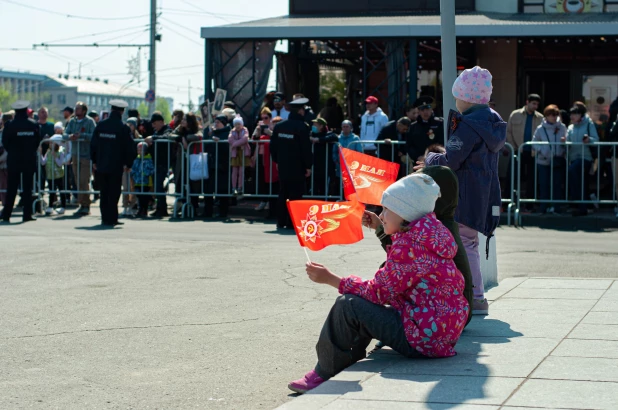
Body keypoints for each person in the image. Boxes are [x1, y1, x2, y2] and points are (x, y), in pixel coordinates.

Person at [288, 173, 468, 394]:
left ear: (404, 215)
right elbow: (402, 269)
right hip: (442, 333)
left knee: (348, 305)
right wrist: (381, 227)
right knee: (366, 298)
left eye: (386, 210)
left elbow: (377, 293)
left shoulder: (408, 248)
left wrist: (331, 279)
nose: (382, 215)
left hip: (424, 338)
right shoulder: (430, 233)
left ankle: (325, 371)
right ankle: (346, 358)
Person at [421, 66, 507, 316]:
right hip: (483, 193)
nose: (455, 101)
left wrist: (432, 159)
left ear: (468, 98)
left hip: (464, 193)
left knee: (464, 244)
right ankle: (473, 294)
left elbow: (453, 159)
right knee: (470, 243)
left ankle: (475, 297)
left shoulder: (469, 124)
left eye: (457, 96)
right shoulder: (492, 122)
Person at [363, 165, 474, 326]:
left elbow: (405, 261)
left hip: (441, 320)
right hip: (456, 314)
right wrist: (381, 226)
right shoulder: (438, 226)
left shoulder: (431, 230)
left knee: (359, 304)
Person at [90, 99, 137, 227]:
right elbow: (130, 147)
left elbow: (93, 144)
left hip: (101, 164)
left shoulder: (101, 125)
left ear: (111, 110)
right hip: (116, 166)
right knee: (114, 192)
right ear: (122, 112)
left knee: (104, 192)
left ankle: (105, 218)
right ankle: (112, 218)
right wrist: (128, 164)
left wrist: (94, 161)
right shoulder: (123, 128)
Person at [270, 97, 313, 229]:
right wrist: (308, 166)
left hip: (283, 165)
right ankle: (292, 222)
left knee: (283, 193)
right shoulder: (302, 127)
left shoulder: (279, 126)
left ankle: (281, 221)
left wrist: (277, 161)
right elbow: (305, 148)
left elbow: (273, 147)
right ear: (300, 111)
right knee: (296, 194)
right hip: (297, 166)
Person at [0, 101, 42, 223]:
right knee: (28, 188)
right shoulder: (33, 124)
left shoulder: (9, 125)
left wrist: (13, 152)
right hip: (29, 159)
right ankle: (27, 215)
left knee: (11, 188)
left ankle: (7, 214)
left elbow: (5, 142)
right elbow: (37, 141)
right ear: (25, 110)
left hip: (14, 159)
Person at [506, 94, 544, 208]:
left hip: (533, 152)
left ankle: (530, 203)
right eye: (533, 103)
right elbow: (508, 132)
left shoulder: (540, 117)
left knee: (532, 178)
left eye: (537, 104)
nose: (535, 106)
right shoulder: (515, 114)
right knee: (512, 176)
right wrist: (514, 147)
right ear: (527, 102)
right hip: (518, 150)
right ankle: (509, 200)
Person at [532, 104, 568, 214]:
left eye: (556, 114)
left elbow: (567, 141)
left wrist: (564, 143)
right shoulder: (540, 128)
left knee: (557, 184)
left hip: (557, 160)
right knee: (544, 184)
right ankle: (543, 207)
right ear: (546, 115)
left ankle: (557, 207)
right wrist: (542, 150)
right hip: (543, 161)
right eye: (551, 114)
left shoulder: (562, 127)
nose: (553, 116)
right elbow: (534, 142)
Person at [63, 101, 97, 216]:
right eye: (75, 108)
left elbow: (94, 136)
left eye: (78, 109)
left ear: (84, 111)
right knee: (77, 182)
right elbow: (64, 134)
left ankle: (86, 205)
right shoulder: (72, 121)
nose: (76, 111)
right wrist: (70, 136)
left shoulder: (89, 121)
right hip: (75, 155)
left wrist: (82, 136)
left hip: (86, 156)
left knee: (84, 181)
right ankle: (81, 204)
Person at [566, 102, 598, 217]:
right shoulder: (570, 127)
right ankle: (581, 207)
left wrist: (589, 139)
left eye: (574, 114)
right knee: (580, 182)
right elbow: (568, 143)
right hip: (573, 158)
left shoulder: (589, 124)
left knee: (573, 172)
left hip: (585, 157)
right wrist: (564, 142)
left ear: (580, 115)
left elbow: (596, 140)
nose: (572, 117)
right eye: (571, 115)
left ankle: (581, 206)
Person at [144, 112, 174, 218]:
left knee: (158, 187)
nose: (153, 125)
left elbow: (166, 137)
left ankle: (162, 210)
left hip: (163, 163)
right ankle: (159, 208)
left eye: (155, 123)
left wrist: (153, 138)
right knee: (156, 187)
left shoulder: (167, 130)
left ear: (161, 122)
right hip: (156, 162)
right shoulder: (157, 132)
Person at [173, 113, 203, 214]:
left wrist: (186, 138)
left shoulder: (196, 129)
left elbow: (199, 136)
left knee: (193, 184)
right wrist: (179, 137)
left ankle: (193, 208)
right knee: (182, 182)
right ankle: (184, 207)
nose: (182, 121)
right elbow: (170, 135)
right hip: (182, 161)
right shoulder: (180, 129)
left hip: (193, 160)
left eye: (185, 120)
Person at [204, 115, 232, 218]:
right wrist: (209, 135)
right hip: (211, 164)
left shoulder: (228, 132)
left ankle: (223, 212)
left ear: (223, 123)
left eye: (218, 122)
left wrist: (219, 141)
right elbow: (206, 145)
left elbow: (228, 146)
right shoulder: (212, 132)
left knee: (222, 190)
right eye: (215, 122)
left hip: (222, 165)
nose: (216, 124)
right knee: (208, 189)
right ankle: (208, 212)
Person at [406, 96, 445, 168]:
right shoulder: (413, 127)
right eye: (422, 110)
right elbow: (410, 146)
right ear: (419, 111)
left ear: (431, 109)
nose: (425, 112)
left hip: (437, 162)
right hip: (419, 163)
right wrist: (418, 157)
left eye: (427, 109)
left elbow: (442, 142)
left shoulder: (440, 123)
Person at [39, 137, 68, 215]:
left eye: (53, 143)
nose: (51, 144)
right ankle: (50, 207)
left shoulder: (60, 152)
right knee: (51, 191)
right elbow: (43, 162)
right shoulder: (48, 152)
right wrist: (40, 153)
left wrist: (55, 156)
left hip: (59, 175)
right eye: (50, 143)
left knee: (61, 190)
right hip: (50, 175)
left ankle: (63, 207)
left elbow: (59, 163)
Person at [309, 117, 338, 197]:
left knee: (325, 190)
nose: (313, 126)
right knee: (314, 189)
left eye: (315, 124)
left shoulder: (329, 134)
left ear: (321, 126)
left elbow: (334, 137)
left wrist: (318, 140)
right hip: (314, 167)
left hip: (326, 168)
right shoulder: (311, 134)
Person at [252, 108, 274, 211]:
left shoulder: (273, 127)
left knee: (270, 179)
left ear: (270, 118)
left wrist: (269, 132)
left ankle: (270, 201)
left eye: (266, 118)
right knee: (261, 179)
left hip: (271, 158)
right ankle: (263, 200)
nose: (264, 120)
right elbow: (254, 141)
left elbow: (276, 138)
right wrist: (258, 131)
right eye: (262, 118)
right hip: (261, 156)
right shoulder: (259, 128)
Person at [120, 117, 140, 217]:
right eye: (127, 124)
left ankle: (132, 205)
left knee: (133, 187)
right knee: (125, 187)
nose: (129, 126)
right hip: (125, 165)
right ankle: (125, 205)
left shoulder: (138, 137)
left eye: (131, 125)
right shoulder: (122, 136)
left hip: (134, 166)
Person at [131, 142, 155, 218]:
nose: (139, 151)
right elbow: (134, 168)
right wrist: (133, 173)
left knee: (144, 196)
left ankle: (144, 210)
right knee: (139, 196)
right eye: (138, 149)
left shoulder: (148, 159)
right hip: (138, 181)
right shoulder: (137, 159)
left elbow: (152, 169)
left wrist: (145, 173)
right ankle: (140, 209)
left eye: (141, 149)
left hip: (145, 182)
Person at [229, 116, 251, 196]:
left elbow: (245, 138)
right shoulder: (232, 131)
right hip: (235, 154)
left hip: (243, 153)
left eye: (239, 124)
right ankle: (233, 187)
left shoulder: (245, 130)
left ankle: (240, 187)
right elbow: (230, 139)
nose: (237, 126)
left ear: (242, 124)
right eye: (236, 124)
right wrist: (239, 143)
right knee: (234, 171)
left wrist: (235, 144)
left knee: (241, 171)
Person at [0, 111, 14, 206]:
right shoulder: (2, 132)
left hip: (6, 164)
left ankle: (6, 204)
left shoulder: (9, 133)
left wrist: (1, 159)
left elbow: (7, 149)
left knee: (5, 186)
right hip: (2, 164)